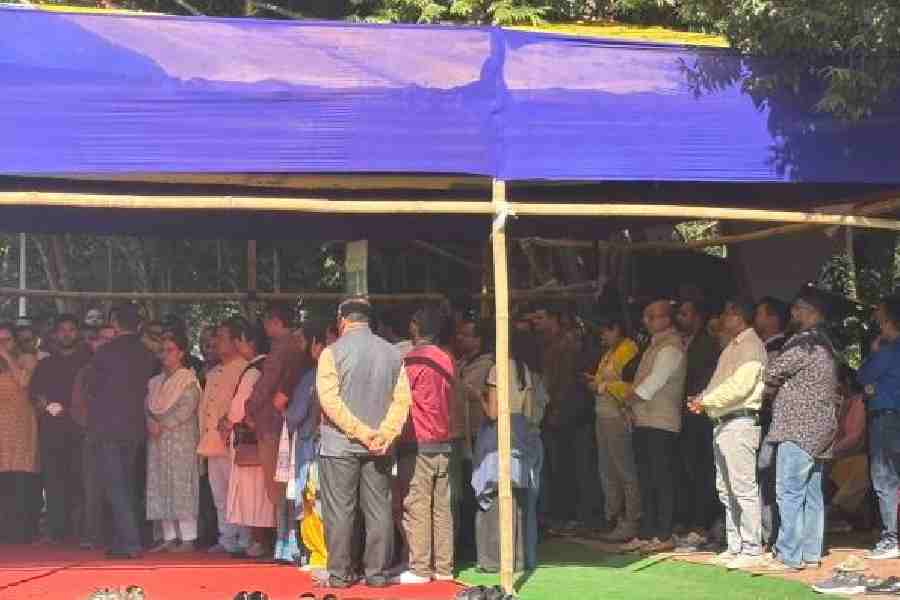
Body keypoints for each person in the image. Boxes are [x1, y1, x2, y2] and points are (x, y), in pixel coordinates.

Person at [315, 297, 412, 589]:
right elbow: (402, 400)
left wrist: (360, 432)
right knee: (378, 509)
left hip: (339, 445)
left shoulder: (331, 353)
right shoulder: (393, 354)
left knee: (340, 511)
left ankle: (340, 575)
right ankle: (377, 574)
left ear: (342, 319)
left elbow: (329, 401)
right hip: (379, 447)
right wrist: (383, 433)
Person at [758, 287, 840, 572]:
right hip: (822, 429)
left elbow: (772, 372)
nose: (792, 313)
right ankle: (811, 553)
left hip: (797, 427)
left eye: (797, 309)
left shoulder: (802, 343)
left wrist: (767, 391)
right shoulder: (828, 344)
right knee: (813, 494)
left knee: (789, 492)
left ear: (810, 312)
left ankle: (789, 554)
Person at [688, 298, 767, 570]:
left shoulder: (752, 346)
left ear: (737, 316)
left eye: (726, 314)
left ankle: (752, 547)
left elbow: (740, 386)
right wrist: (703, 398)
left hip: (740, 421)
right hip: (723, 422)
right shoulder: (732, 348)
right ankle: (735, 545)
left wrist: (707, 400)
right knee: (726, 488)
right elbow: (719, 383)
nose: (722, 318)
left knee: (743, 487)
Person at [87, 303, 157, 559]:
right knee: (126, 484)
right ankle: (121, 541)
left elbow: (92, 387)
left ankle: (130, 542)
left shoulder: (105, 352)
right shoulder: (147, 353)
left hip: (108, 427)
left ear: (115, 324)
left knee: (115, 486)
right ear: (137, 325)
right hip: (135, 427)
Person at [393, 307, 456, 584]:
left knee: (416, 505)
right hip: (443, 441)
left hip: (418, 441)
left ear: (416, 327)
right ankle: (444, 567)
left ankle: (420, 567)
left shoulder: (412, 360)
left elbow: (399, 399)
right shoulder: (447, 359)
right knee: (442, 508)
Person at [473, 327, 543, 573]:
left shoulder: (497, 370)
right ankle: (520, 558)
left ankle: (494, 560)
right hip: (523, 433)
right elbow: (530, 412)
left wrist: (478, 397)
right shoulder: (525, 371)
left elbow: (493, 412)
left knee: (493, 497)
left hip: (499, 433)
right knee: (520, 499)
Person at [619, 299, 686, 554]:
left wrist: (627, 400)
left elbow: (652, 384)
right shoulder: (654, 345)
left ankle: (664, 533)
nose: (646, 321)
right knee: (646, 478)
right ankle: (648, 531)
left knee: (660, 478)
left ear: (667, 319)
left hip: (662, 423)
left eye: (652, 316)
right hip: (646, 421)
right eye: (646, 316)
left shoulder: (671, 347)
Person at [29, 314, 92, 543]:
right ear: (55, 335)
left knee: (82, 483)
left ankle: (84, 533)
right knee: (54, 483)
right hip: (52, 432)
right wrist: (46, 405)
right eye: (62, 330)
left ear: (78, 333)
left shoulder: (89, 362)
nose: (67, 334)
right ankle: (56, 533)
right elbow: (34, 394)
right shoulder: (45, 364)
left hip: (81, 432)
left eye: (71, 329)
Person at [244, 303, 307, 515]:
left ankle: (285, 542)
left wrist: (249, 407)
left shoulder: (280, 349)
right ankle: (287, 541)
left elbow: (266, 384)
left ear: (277, 322)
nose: (265, 328)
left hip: (272, 424)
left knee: (277, 487)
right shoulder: (297, 347)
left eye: (267, 323)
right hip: (289, 422)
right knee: (288, 484)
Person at [145, 334, 202, 553]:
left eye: (170, 350)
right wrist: (150, 422)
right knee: (160, 485)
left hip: (181, 440)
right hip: (158, 441)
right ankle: (169, 536)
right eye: (162, 350)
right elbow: (147, 408)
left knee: (181, 485)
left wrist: (163, 424)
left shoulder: (187, 379)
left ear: (181, 353)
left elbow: (187, 408)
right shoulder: (155, 382)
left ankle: (187, 537)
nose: (165, 354)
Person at [224, 318, 275, 558]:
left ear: (246, 341)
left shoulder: (254, 369)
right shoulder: (268, 365)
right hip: (265, 437)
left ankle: (259, 542)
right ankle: (262, 541)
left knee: (255, 493)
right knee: (262, 492)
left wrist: (229, 420)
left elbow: (240, 407)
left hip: (251, 439)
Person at [587, 315, 641, 543]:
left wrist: (601, 386)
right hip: (602, 416)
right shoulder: (609, 352)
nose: (602, 335)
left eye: (606, 330)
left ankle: (631, 519)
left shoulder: (629, 349)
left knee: (625, 470)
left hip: (618, 416)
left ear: (617, 328)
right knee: (607, 470)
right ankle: (613, 517)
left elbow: (631, 386)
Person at [198, 321, 250, 554]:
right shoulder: (213, 373)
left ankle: (244, 540)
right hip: (212, 441)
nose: (216, 342)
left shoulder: (244, 369)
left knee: (239, 491)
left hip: (234, 440)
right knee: (219, 494)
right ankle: (226, 538)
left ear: (236, 341)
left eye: (221, 337)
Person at [674, 299, 721, 547]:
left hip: (699, 416)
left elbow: (704, 379)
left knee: (702, 471)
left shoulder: (708, 344)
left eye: (684, 313)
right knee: (686, 471)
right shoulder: (682, 343)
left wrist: (697, 402)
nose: (679, 318)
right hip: (682, 416)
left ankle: (702, 524)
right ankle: (689, 520)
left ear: (698, 317)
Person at [857, 295, 900, 560]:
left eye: (881, 319)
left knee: (884, 477)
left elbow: (862, 376)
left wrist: (873, 354)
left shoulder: (887, 351)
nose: (878, 323)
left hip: (885, 418)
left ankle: (890, 538)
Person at [532, 302, 580, 530]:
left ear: (554, 318)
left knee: (562, 465)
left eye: (541, 318)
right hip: (551, 411)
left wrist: (552, 406)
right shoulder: (546, 344)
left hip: (560, 413)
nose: (536, 323)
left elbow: (562, 382)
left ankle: (565, 516)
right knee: (552, 466)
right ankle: (557, 515)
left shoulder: (565, 345)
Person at [285, 320, 328, 569]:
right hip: (340, 447)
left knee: (311, 500)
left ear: (316, 344)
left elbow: (295, 414)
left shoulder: (313, 376)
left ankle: (319, 555)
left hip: (312, 446)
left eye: (302, 342)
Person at [71, 322, 117, 549]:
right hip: (93, 436)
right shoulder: (86, 371)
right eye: (104, 339)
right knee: (92, 488)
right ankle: (92, 535)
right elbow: (77, 406)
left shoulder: (126, 369)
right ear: (94, 343)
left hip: (122, 437)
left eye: (112, 340)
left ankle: (121, 535)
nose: (107, 344)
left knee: (122, 487)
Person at [451, 316, 494, 557]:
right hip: (467, 431)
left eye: (467, 335)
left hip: (479, 431)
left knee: (476, 487)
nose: (461, 338)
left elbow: (467, 391)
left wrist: (453, 380)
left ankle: (476, 543)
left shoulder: (486, 364)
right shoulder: (463, 361)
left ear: (478, 340)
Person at [753, 296, 790, 549]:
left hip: (774, 420)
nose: (756, 319)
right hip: (766, 420)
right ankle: (767, 533)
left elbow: (770, 385)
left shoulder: (779, 348)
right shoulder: (764, 346)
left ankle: (772, 535)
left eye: (760, 314)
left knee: (769, 473)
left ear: (773, 318)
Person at [0, 322, 40, 543]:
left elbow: (24, 382)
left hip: (21, 425)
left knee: (20, 477)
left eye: (6, 340)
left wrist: (6, 357)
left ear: (15, 341)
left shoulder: (26, 358)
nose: (2, 344)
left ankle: (23, 532)